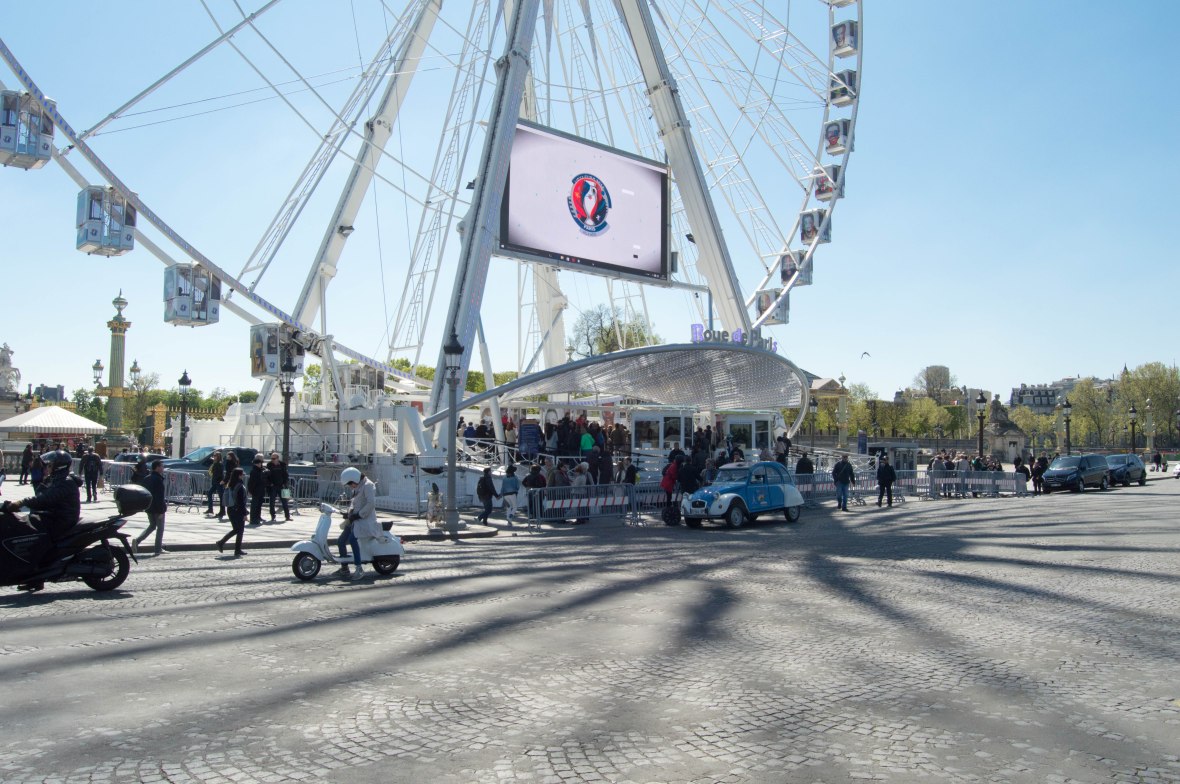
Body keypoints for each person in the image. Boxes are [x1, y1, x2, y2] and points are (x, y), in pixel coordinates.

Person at [1, 449, 81, 540]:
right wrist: (44, 482)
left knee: (27, 529)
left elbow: (45, 499)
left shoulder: (66, 482)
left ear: (58, 467)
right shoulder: (56, 479)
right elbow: (39, 494)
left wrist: (22, 502)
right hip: (53, 515)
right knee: (25, 521)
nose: (47, 467)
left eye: (50, 465)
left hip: (61, 520)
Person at [337, 466, 380, 581]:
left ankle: (359, 568)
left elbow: (371, 504)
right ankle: (344, 568)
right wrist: (349, 513)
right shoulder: (358, 486)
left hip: (365, 520)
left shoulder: (368, 485)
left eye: (351, 483)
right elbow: (355, 502)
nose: (350, 486)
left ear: (355, 479)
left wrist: (359, 514)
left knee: (352, 539)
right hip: (355, 520)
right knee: (341, 541)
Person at [133, 460, 168, 556]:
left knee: (152, 526)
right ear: (157, 467)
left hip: (148, 506)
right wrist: (162, 510)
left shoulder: (147, 478)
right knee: (160, 528)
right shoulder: (158, 480)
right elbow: (160, 496)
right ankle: (157, 548)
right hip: (157, 508)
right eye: (162, 466)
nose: (163, 468)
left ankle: (137, 540)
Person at [216, 466, 248, 557]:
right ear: (239, 475)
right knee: (239, 530)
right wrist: (245, 514)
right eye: (242, 474)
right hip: (237, 510)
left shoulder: (230, 484)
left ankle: (223, 543)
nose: (243, 476)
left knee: (236, 529)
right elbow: (241, 502)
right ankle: (233, 548)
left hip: (230, 509)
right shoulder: (240, 486)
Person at [266, 452, 292, 522]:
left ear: (277, 458)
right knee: (272, 502)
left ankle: (287, 516)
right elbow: (266, 476)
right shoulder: (269, 465)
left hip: (282, 486)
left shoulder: (282, 465)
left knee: (285, 501)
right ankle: (273, 516)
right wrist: (270, 483)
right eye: (271, 458)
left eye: (274, 458)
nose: (272, 460)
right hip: (273, 486)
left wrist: (285, 483)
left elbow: (286, 475)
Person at [247, 456, 268, 526]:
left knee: (258, 505)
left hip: (260, 489)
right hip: (256, 490)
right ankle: (253, 519)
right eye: (259, 463)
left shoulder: (260, 470)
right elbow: (251, 482)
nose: (260, 465)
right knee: (255, 505)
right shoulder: (254, 471)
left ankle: (257, 518)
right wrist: (250, 490)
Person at [205, 451, 225, 518]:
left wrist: (218, 481)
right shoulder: (215, 463)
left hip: (218, 482)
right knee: (209, 493)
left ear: (218, 457)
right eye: (214, 455)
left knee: (221, 497)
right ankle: (210, 509)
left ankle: (222, 511)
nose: (214, 457)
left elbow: (219, 474)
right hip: (215, 482)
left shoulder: (219, 464)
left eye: (215, 456)